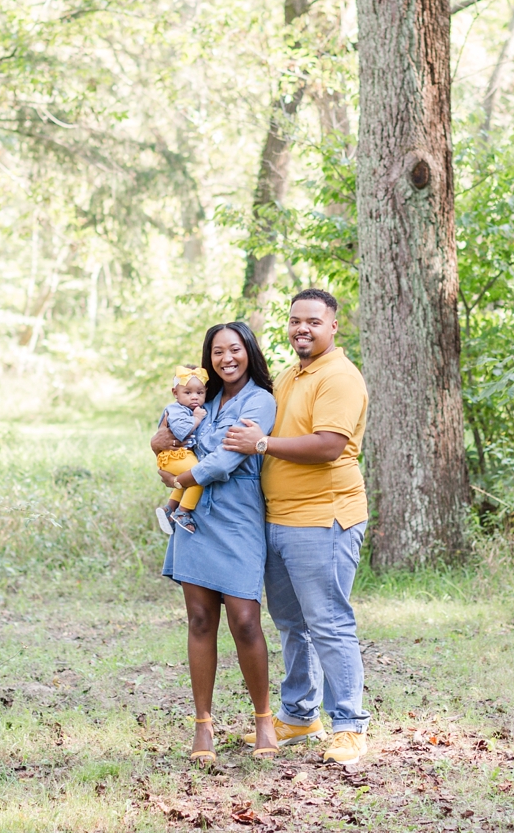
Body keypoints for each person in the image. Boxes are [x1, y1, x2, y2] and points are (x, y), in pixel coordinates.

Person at [223, 288, 370, 767]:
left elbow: (328, 445)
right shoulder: (290, 376)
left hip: (322, 519)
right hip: (277, 520)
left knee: (328, 623)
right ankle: (300, 715)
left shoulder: (339, 378)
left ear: (332, 327)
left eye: (312, 321)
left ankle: (349, 726)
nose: (301, 328)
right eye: (294, 321)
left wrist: (262, 444)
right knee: (291, 625)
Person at [151, 323, 280, 763]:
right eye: (218, 351)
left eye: (235, 349)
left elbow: (228, 457)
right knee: (201, 620)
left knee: (245, 618)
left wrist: (184, 475)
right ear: (209, 358)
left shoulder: (260, 400)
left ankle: (264, 718)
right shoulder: (197, 398)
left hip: (239, 516)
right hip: (196, 517)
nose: (227, 358)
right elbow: (165, 436)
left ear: (249, 352)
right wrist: (158, 446)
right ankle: (203, 727)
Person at [155, 364, 210, 535]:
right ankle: (183, 513)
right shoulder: (176, 410)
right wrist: (196, 419)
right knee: (198, 476)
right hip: (174, 455)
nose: (194, 397)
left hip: (179, 456)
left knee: (184, 482)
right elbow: (181, 431)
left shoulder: (187, 408)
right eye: (188, 393)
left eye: (200, 393)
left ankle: (169, 510)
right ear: (175, 393)